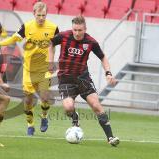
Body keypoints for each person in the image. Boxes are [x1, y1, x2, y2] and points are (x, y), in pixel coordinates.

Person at [48, 16, 120, 146]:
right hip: (65, 79)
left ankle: (110, 137)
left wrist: (108, 73)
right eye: (75, 29)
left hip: (83, 78)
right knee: (68, 107)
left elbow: (103, 57)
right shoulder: (64, 36)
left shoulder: (91, 42)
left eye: (80, 30)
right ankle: (74, 117)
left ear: (85, 29)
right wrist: (50, 61)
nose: (76, 33)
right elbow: (50, 43)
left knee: (96, 106)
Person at [0, 1, 59, 136]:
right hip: (29, 70)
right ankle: (30, 124)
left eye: (44, 15)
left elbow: (54, 46)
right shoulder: (26, 27)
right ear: (34, 14)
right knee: (28, 100)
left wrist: (52, 61)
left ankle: (44, 117)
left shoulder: (53, 28)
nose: (41, 18)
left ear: (46, 14)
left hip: (44, 69)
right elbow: (13, 39)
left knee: (44, 97)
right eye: (39, 15)